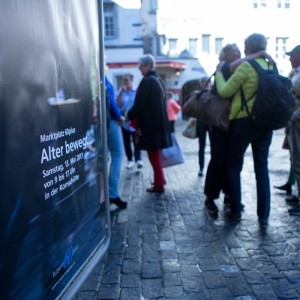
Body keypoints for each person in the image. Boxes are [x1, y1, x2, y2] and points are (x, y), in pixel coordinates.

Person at [203, 43, 272, 216]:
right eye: (235, 51)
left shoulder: (240, 67)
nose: (239, 54)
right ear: (226, 55)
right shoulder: (225, 67)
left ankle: (230, 197)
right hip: (220, 123)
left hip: (233, 122)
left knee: (230, 162)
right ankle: (210, 197)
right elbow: (224, 90)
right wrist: (260, 52)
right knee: (219, 160)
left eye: (240, 51)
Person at [128, 54, 172, 193]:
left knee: (153, 155)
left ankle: (159, 184)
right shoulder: (158, 80)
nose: (139, 68)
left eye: (141, 66)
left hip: (151, 125)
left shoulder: (147, 81)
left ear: (147, 66)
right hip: (158, 124)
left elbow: (139, 104)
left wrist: (129, 115)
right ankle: (160, 179)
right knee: (155, 155)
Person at [105, 77, 127, 208]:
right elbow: (110, 100)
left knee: (103, 157)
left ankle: (104, 193)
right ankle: (112, 194)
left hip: (100, 121)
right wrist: (119, 116)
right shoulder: (102, 76)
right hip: (110, 120)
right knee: (117, 155)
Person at [284, 45, 300, 215]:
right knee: (296, 160)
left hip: (298, 121)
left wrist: (294, 117)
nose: (289, 58)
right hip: (295, 122)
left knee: (299, 161)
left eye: (292, 55)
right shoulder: (296, 73)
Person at [116, 73, 143, 169]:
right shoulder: (120, 91)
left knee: (136, 140)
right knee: (126, 141)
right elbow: (117, 104)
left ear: (131, 81)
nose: (124, 82)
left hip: (134, 120)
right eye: (123, 80)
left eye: (126, 80)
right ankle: (130, 159)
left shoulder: (136, 91)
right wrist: (121, 93)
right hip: (124, 121)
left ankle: (138, 159)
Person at [196, 76, 211, 177]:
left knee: (213, 147)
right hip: (201, 123)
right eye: (203, 82)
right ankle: (201, 168)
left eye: (206, 82)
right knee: (201, 147)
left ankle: (212, 169)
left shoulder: (214, 93)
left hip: (211, 122)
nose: (205, 83)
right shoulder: (198, 94)